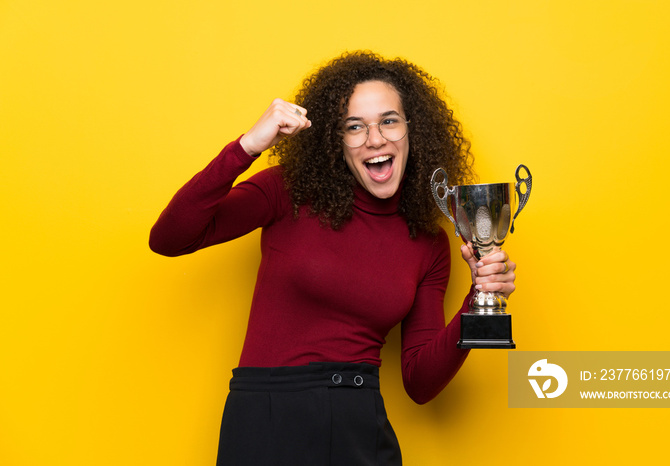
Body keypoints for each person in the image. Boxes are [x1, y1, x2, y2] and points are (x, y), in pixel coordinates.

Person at [149, 51, 516, 466]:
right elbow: (170, 237)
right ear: (335, 141)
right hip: (267, 420)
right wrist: (248, 145)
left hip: (358, 424)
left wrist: (479, 298)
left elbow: (420, 382)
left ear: (414, 130)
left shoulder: (428, 242)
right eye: (354, 127)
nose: (374, 139)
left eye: (389, 121)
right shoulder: (285, 191)